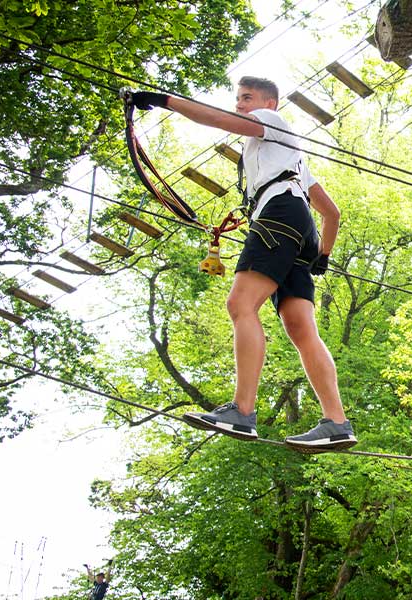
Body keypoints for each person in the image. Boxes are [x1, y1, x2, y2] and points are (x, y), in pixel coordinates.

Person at [129, 78, 357, 452]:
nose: (239, 105)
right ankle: (336, 422)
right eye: (237, 99)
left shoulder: (272, 122)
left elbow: (217, 120)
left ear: (270, 102)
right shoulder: (292, 160)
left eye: (246, 98)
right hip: (302, 227)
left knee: (241, 304)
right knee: (301, 329)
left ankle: (242, 411)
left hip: (279, 215)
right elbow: (330, 213)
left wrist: (163, 100)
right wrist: (322, 255)